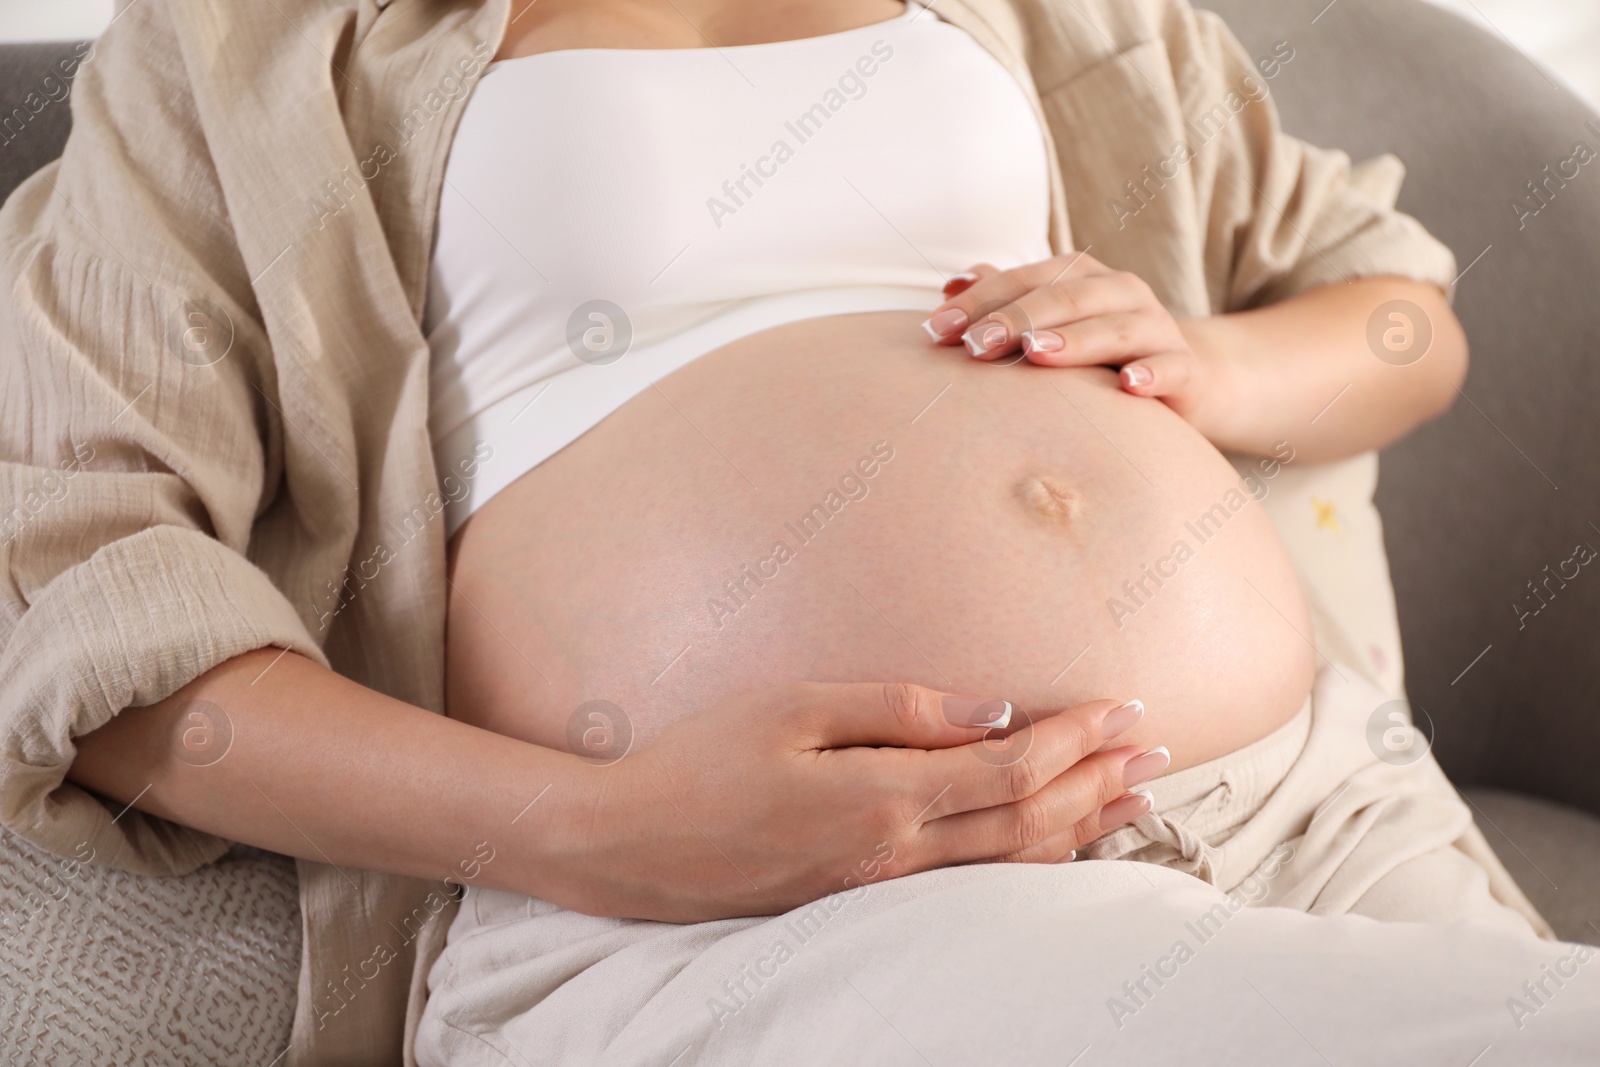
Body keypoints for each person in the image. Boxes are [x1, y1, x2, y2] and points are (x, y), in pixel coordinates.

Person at [0, 0, 1547, 1063]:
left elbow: (1404, 317)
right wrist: (595, 833)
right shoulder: (255, 46)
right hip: (759, 903)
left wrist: (1213, 362)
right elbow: (89, 610)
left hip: (1308, 807)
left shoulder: (1059, 20)